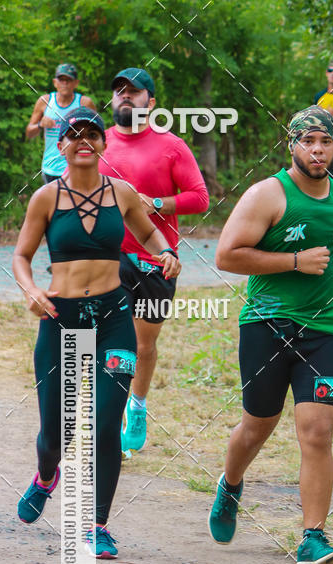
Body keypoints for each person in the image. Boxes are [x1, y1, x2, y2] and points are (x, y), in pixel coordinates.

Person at [209, 106, 333, 564]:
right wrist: (294, 262)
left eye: (326, 142)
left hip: (325, 332)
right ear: (292, 145)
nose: (317, 150)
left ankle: (312, 538)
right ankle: (230, 484)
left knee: (318, 432)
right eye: (308, 141)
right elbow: (226, 255)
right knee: (257, 425)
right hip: (268, 325)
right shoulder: (267, 195)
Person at [13, 108, 181, 558]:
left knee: (106, 424)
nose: (83, 140)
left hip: (112, 318)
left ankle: (97, 525)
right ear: (61, 145)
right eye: (74, 134)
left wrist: (165, 253)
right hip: (61, 316)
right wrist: (31, 290)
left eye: (92, 133)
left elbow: (149, 232)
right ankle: (46, 475)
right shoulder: (46, 198)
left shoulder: (121, 193)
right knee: (57, 431)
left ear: (104, 144)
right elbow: (22, 256)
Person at [98, 67, 209, 455]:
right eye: (119, 91)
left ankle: (138, 406)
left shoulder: (171, 146)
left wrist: (158, 203)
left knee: (144, 345)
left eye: (134, 91)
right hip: (109, 258)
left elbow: (199, 197)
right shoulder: (97, 143)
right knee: (115, 341)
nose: (125, 96)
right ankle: (107, 420)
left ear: (151, 102)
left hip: (156, 259)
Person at [26, 63, 96, 184]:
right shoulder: (45, 101)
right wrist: (40, 125)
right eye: (61, 80)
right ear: (55, 82)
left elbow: (97, 135)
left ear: (76, 83)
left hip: (76, 166)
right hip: (50, 168)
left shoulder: (84, 103)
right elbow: (29, 133)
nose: (65, 83)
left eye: (68, 80)